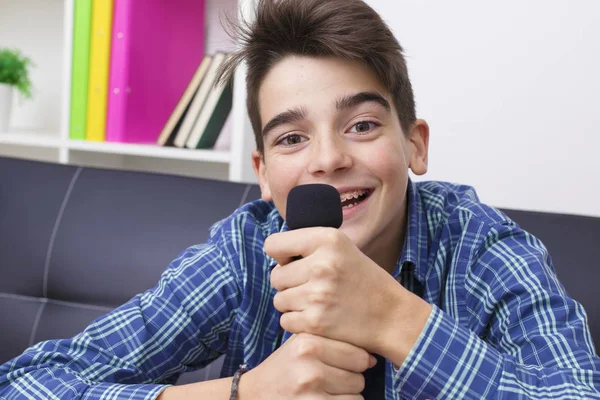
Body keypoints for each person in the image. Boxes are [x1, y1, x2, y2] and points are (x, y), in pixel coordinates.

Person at [2, 0, 600, 398]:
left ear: (415, 145)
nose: (327, 159)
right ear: (263, 174)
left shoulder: (484, 246)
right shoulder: (244, 251)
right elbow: (29, 383)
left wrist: (394, 319)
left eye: (362, 125)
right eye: (292, 137)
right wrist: (241, 393)